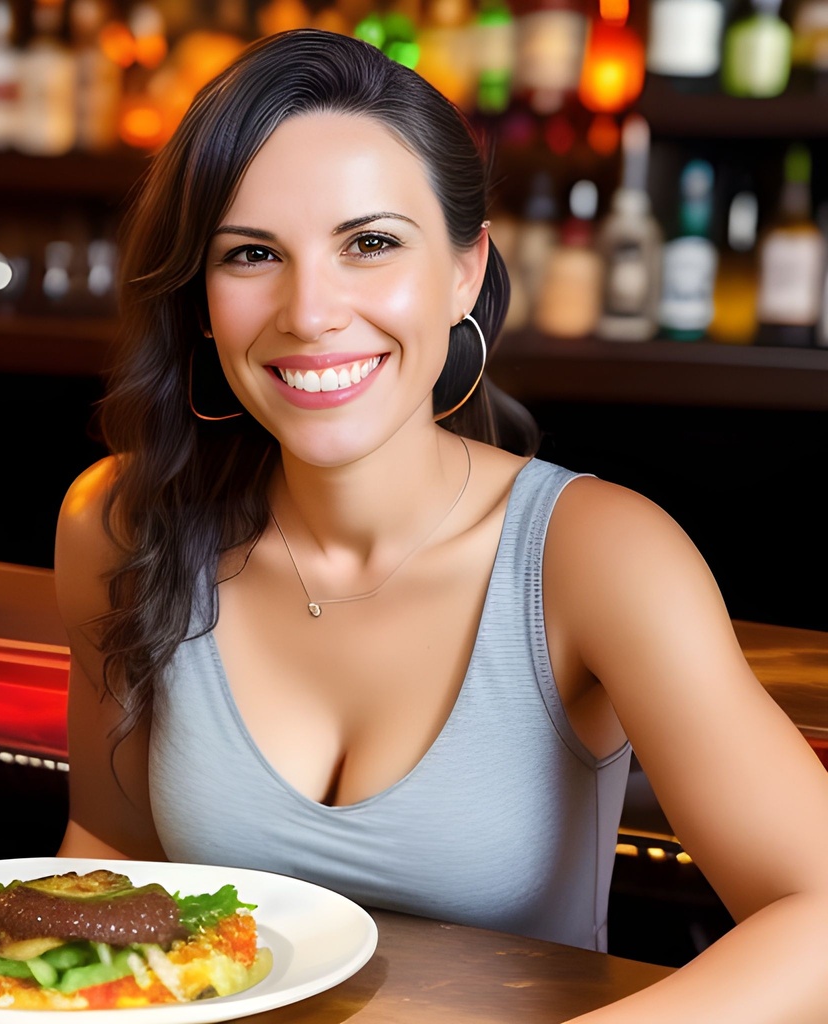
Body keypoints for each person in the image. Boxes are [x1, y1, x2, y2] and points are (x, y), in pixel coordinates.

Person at [54, 28, 828, 1022]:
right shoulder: (122, 524)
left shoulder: (595, 555)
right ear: (202, 301)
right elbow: (111, 850)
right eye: (252, 254)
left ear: (465, 269)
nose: (310, 311)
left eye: (369, 243)